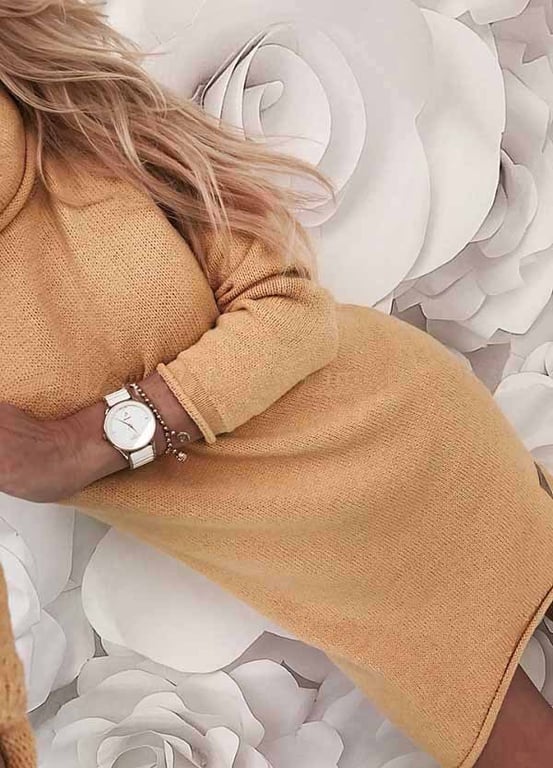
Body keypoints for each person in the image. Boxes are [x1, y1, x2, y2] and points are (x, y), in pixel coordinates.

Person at [1, 2, 553, 767]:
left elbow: (288, 312)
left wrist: (93, 438)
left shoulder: (83, 124)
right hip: (335, 573)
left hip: (403, 433)